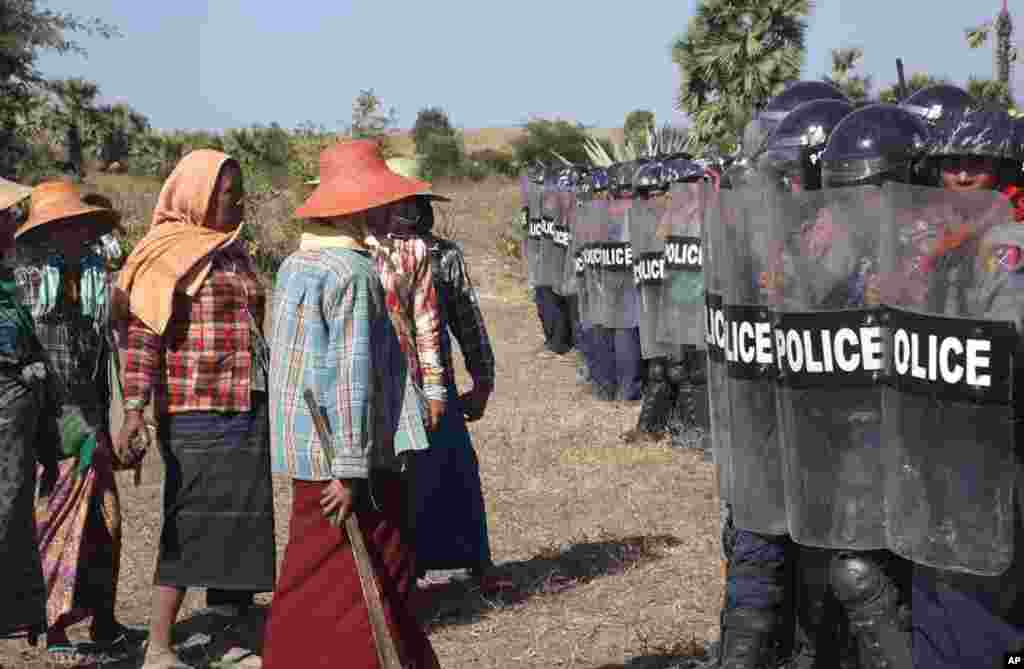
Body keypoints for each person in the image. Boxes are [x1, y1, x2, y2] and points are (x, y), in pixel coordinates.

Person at [261, 140, 439, 669]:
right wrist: (349, 468)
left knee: (312, 581)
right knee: (360, 588)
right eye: (383, 201)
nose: (391, 211)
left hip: (311, 456)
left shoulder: (296, 265)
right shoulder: (353, 274)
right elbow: (348, 378)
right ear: (359, 207)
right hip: (351, 462)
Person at [115, 150, 276, 669]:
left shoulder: (233, 252)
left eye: (239, 191)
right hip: (195, 407)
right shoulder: (165, 254)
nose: (238, 200)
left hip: (247, 401)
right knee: (191, 521)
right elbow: (142, 337)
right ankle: (159, 647)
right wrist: (135, 408)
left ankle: (232, 637)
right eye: (228, 193)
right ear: (199, 196)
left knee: (243, 521)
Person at [899, 105, 1024, 668]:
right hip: (938, 440)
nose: (965, 175)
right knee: (932, 588)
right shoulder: (941, 240)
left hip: (996, 443)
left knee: (980, 602)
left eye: (980, 163)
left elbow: (1007, 333)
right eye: (953, 163)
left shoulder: (1009, 240)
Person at [13, 180, 146, 665]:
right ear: (48, 230)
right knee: (58, 520)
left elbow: (111, 346)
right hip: (50, 419)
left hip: (89, 414)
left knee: (105, 517)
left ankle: (104, 620)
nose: (82, 234)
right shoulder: (23, 278)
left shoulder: (93, 275)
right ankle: (54, 628)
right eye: (72, 226)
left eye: (86, 226)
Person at [384, 159, 498, 587]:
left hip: (436, 383)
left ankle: (476, 561)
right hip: (386, 386)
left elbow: (468, 322)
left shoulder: (442, 255)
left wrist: (482, 380)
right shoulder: (362, 257)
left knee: (454, 471)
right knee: (401, 480)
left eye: (409, 203)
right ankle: (405, 567)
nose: (403, 212)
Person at [0, 177, 58, 647]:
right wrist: (19, 364)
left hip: (19, 407)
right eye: (3, 217)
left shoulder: (10, 274)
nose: (10, 224)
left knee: (15, 506)